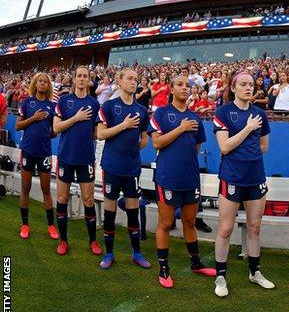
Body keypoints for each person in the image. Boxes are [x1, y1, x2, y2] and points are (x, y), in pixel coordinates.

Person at [148, 74, 216, 289]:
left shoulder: (195, 118)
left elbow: (195, 148)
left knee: (189, 222)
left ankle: (196, 263)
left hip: (190, 178)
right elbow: (157, 143)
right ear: (171, 88)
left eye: (188, 85)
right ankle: (164, 268)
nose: (185, 88)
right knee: (166, 224)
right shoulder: (162, 113)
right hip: (167, 177)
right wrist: (180, 128)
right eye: (180, 85)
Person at [213, 72, 274, 298]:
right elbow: (224, 147)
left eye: (251, 84)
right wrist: (247, 129)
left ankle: (255, 272)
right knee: (226, 228)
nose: (249, 88)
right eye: (244, 84)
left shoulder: (259, 114)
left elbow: (264, 146)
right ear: (233, 87)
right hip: (231, 177)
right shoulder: (224, 112)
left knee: (255, 227)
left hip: (255, 177)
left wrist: (247, 152)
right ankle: (220, 276)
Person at [96, 68, 151, 270]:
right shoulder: (109, 106)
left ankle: (136, 253)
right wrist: (124, 126)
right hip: (111, 166)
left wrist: (131, 148)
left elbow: (144, 139)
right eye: (129, 78)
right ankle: (109, 253)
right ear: (119, 81)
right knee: (110, 212)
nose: (133, 82)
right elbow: (100, 134)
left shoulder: (142, 110)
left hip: (132, 168)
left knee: (132, 211)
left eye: (136, 79)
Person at [52, 66, 101, 256]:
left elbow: (96, 133)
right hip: (66, 157)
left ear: (89, 80)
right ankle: (63, 241)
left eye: (85, 76)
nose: (81, 79)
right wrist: (76, 118)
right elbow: (56, 128)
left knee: (88, 199)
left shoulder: (94, 104)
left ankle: (93, 241)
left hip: (86, 158)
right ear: (74, 79)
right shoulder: (64, 101)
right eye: (79, 76)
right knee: (62, 198)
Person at [15, 72, 58, 240]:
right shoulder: (26, 103)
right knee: (25, 189)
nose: (42, 84)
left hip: (45, 152)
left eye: (45, 82)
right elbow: (18, 125)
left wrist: (50, 132)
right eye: (40, 81)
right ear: (35, 83)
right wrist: (34, 118)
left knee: (46, 190)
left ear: (48, 86)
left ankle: (51, 226)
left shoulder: (52, 106)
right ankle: (25, 225)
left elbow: (54, 131)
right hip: (27, 151)